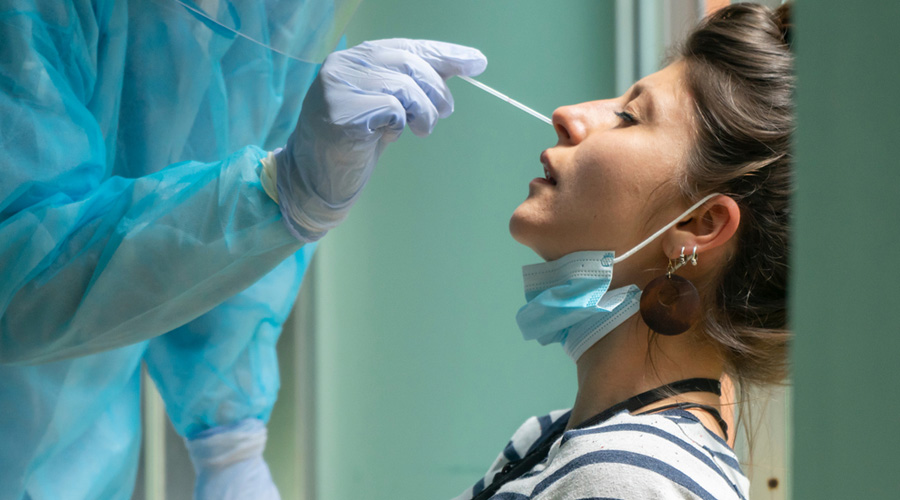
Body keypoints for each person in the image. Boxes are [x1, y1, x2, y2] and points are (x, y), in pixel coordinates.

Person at [0, 0, 486, 498]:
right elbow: (17, 273)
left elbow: (220, 258)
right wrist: (278, 193)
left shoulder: (287, 14)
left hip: (88, 446)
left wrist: (230, 443)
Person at [454, 3, 792, 499]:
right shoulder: (552, 440)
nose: (566, 116)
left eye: (628, 117)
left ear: (699, 223)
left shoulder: (626, 481)